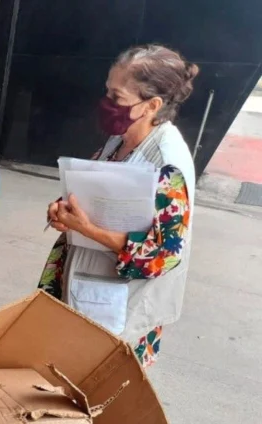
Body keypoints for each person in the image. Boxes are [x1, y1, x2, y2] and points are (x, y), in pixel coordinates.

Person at [40, 45, 199, 367]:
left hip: (118, 301)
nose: (106, 103)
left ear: (151, 105)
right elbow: (98, 192)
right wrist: (64, 210)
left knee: (100, 382)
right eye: (107, 91)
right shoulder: (121, 139)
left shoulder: (166, 165)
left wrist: (87, 229)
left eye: (117, 97)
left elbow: (164, 255)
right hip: (85, 283)